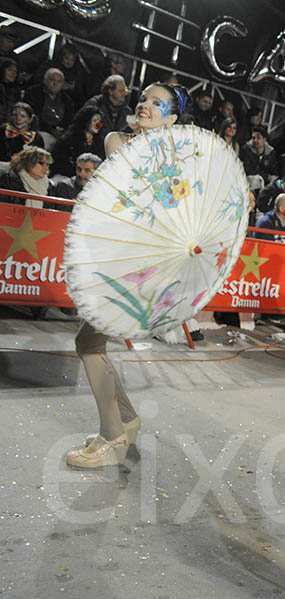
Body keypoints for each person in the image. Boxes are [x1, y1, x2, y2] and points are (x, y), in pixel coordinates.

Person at [64, 80, 192, 469]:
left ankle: (113, 435)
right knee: (91, 342)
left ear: (172, 118)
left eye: (157, 104)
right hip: (117, 258)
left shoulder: (178, 162)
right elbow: (127, 163)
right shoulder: (119, 141)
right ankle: (125, 421)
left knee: (89, 342)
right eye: (142, 100)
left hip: (142, 265)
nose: (145, 106)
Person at [51, 105, 105, 175]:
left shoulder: (100, 142)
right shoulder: (68, 141)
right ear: (85, 121)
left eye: (100, 121)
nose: (98, 124)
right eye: (94, 120)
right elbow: (60, 164)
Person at [23, 67, 74, 138]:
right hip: (39, 130)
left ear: (62, 84)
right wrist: (50, 130)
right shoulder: (33, 93)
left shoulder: (67, 99)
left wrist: (62, 129)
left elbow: (70, 119)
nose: (55, 83)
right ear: (45, 80)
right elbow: (32, 116)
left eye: (59, 81)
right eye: (52, 80)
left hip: (60, 132)